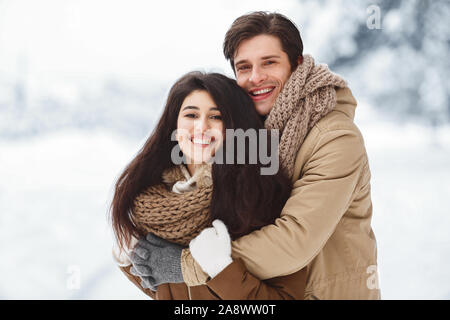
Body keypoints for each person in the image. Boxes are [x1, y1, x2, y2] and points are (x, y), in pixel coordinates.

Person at [127, 11, 381, 300]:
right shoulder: (244, 133)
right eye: (244, 67)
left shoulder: (334, 137)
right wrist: (143, 260)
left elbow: (296, 239)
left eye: (269, 63)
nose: (256, 77)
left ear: (297, 64)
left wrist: (186, 265)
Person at [110, 71, 307, 299]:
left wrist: (221, 270)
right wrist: (132, 266)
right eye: (191, 115)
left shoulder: (260, 195)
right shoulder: (150, 203)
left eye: (217, 117)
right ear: (174, 124)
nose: (202, 127)